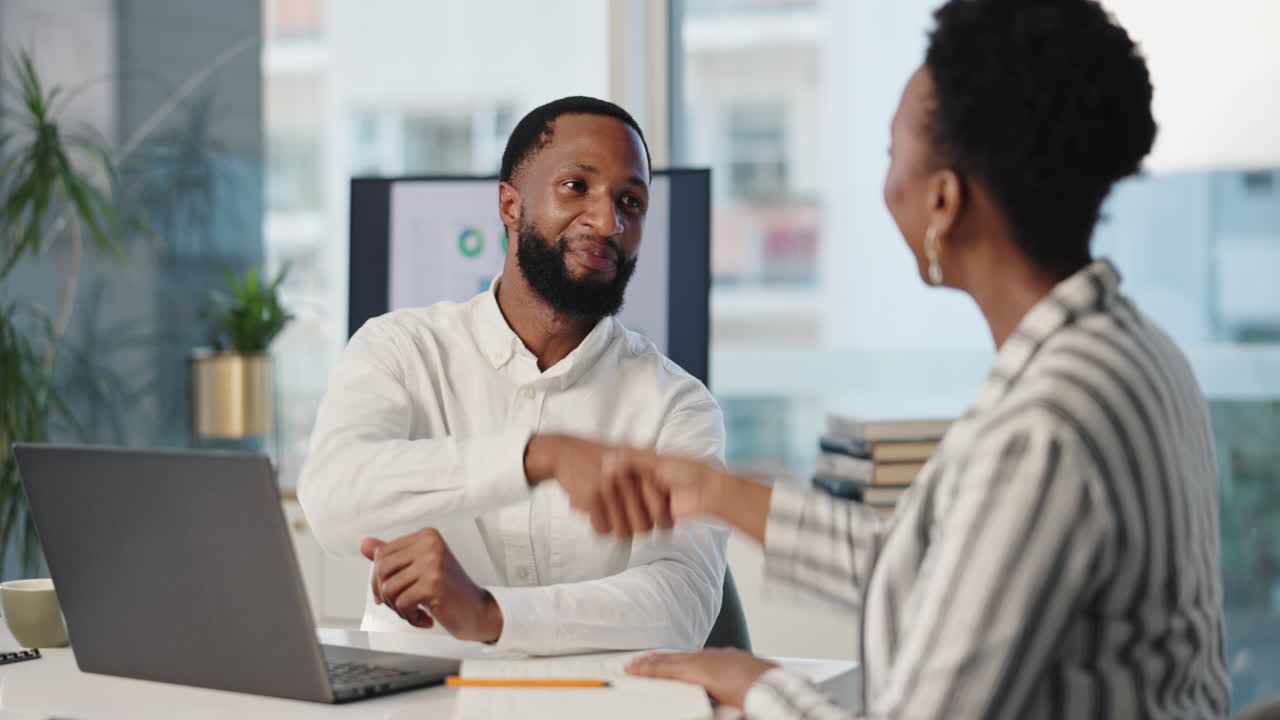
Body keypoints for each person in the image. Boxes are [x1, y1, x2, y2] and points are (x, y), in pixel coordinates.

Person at [586, 0, 1232, 716]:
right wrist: (713, 492)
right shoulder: (1131, 347)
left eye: (891, 156)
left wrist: (760, 686)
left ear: (944, 200)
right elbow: (944, 573)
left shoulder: (1043, 428)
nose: (887, 185)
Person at [297, 96, 727, 655]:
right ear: (509, 204)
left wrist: (489, 613)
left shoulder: (677, 405)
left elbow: (682, 603)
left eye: (631, 201)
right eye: (576, 186)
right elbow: (331, 501)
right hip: (414, 692)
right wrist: (531, 458)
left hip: (595, 697)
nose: (607, 222)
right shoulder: (399, 348)